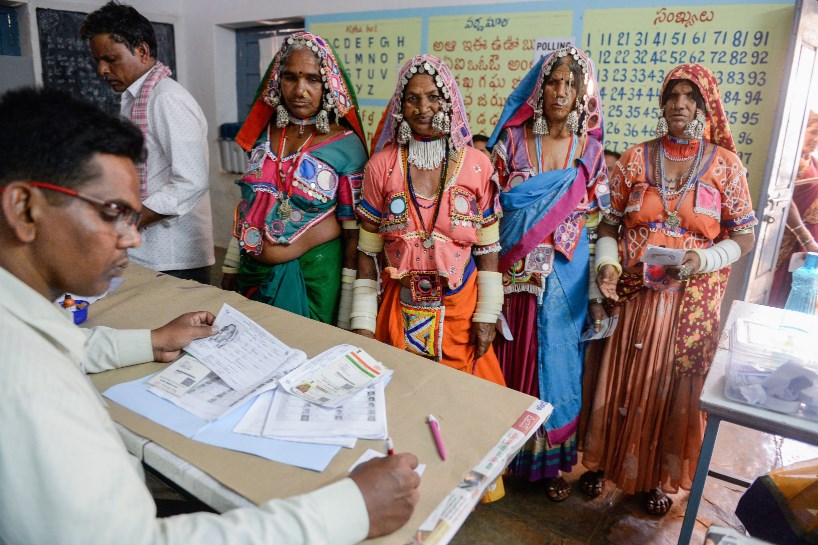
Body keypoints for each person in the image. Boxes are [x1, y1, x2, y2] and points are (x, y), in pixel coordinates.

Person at [0, 86, 420, 545]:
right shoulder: (26, 383)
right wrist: (348, 510)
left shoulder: (22, 326)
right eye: (114, 212)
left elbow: (62, 343)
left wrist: (149, 340)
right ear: (24, 208)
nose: (133, 237)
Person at [580, 64, 757, 515]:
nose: (679, 103)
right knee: (616, 379)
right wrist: (607, 264)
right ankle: (603, 464)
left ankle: (653, 478)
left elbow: (743, 235)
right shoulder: (637, 158)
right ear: (662, 106)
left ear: (705, 107)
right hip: (634, 293)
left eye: (690, 97)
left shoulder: (726, 165)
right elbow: (609, 223)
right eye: (672, 95)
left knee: (664, 386)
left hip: (686, 303)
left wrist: (706, 258)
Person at [487, 46, 608, 501]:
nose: (561, 91)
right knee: (510, 360)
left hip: (564, 282)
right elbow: (489, 207)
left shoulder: (591, 153)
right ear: (540, 89)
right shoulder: (512, 143)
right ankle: (505, 457)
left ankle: (549, 465)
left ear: (582, 94)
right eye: (554, 82)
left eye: (570, 84)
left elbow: (600, 224)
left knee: (556, 366)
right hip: (513, 274)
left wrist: (597, 289)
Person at [351, 54, 505, 385]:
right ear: (400, 107)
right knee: (398, 399)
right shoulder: (382, 166)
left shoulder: (477, 165)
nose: (424, 109)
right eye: (413, 99)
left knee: (461, 403)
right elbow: (367, 254)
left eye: (433, 97)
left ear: (448, 101)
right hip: (398, 308)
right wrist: (362, 320)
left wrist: (487, 315)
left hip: (461, 310)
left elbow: (489, 251)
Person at [221, 32, 368, 328]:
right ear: (278, 81)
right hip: (251, 274)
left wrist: (349, 309)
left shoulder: (347, 146)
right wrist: (230, 266)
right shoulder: (265, 134)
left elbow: (354, 233)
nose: (300, 90)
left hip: (313, 278)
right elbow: (248, 206)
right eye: (290, 77)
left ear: (328, 84)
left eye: (312, 79)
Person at [81, 1, 214, 284]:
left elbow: (191, 181)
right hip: (148, 250)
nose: (102, 70)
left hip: (173, 254)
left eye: (111, 59)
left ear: (141, 51)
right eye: (98, 61)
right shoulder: (135, 98)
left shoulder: (166, 99)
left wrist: (130, 221)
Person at [769, 110, 818, 307]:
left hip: (806, 250)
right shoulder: (789, 163)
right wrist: (807, 239)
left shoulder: (811, 161)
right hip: (791, 243)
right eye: (813, 132)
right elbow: (784, 199)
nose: (816, 139)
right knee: (777, 297)